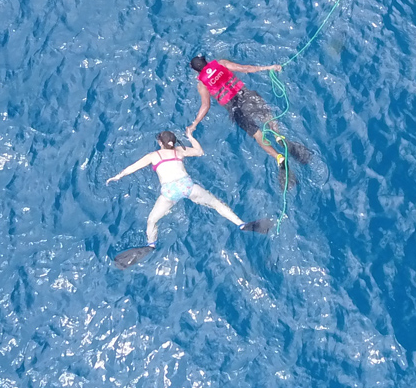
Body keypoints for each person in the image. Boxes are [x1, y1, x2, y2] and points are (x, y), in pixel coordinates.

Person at [105, 130, 270, 268]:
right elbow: (199, 151)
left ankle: (151, 245)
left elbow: (133, 167)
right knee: (216, 204)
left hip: (170, 192)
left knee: (152, 220)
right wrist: (190, 136)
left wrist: (118, 176)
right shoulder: (179, 151)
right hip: (187, 186)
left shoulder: (153, 155)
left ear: (160, 143)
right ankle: (241, 224)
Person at [188, 55, 311, 187]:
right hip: (246, 96)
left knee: (257, 134)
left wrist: (194, 124)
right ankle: (278, 136)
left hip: (235, 109)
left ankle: (279, 158)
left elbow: (205, 106)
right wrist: (270, 67)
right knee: (267, 116)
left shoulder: (202, 84)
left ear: (197, 71)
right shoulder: (221, 63)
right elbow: (246, 68)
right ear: (206, 61)